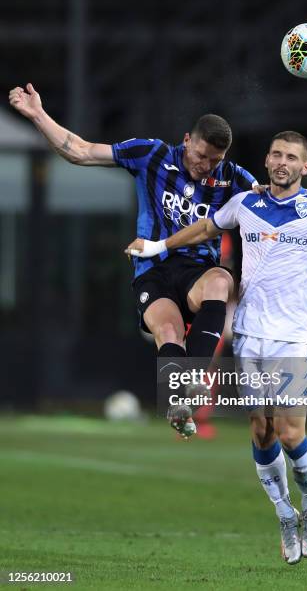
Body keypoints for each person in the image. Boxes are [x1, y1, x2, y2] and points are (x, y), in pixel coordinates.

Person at [125, 130, 307, 564]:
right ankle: (284, 513)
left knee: (291, 433)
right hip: (252, 331)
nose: (281, 162)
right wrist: (159, 245)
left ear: (304, 167)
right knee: (262, 431)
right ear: (268, 160)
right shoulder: (245, 203)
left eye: (291, 157)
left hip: (293, 333)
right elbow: (201, 229)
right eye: (276, 154)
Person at [9, 83, 263, 439]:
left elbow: (268, 208)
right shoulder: (151, 154)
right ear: (187, 139)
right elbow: (80, 151)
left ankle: (193, 383)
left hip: (198, 272)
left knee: (221, 280)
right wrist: (38, 115)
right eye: (201, 155)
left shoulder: (233, 179)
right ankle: (179, 402)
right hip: (153, 269)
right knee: (169, 331)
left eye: (214, 161)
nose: (205, 166)